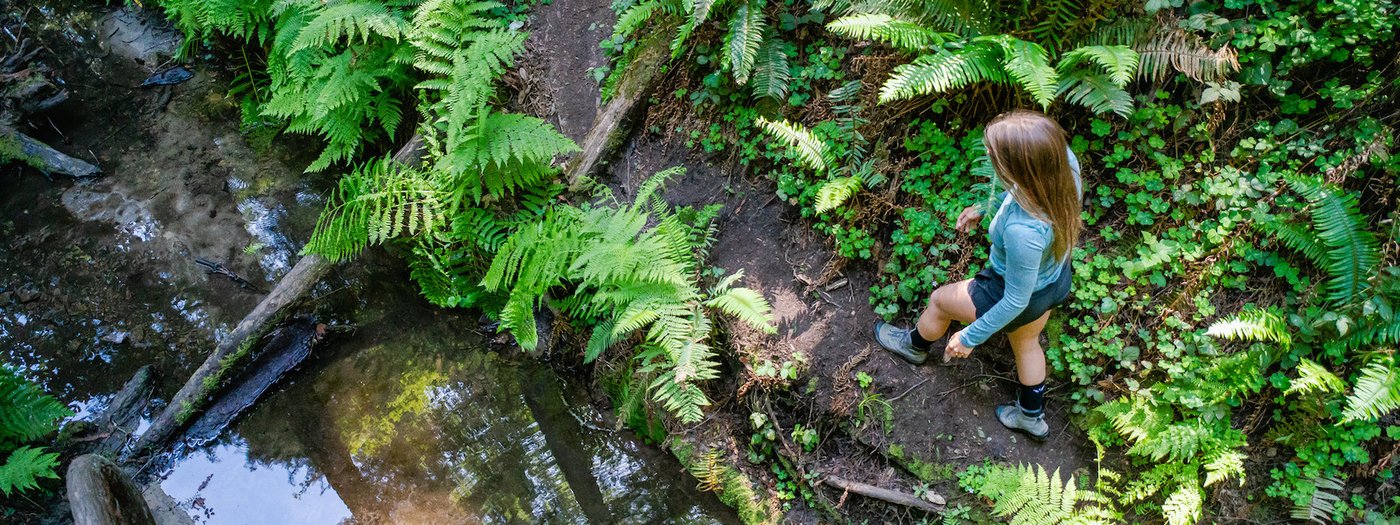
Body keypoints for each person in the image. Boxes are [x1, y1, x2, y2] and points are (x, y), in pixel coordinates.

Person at [873, 109, 1082, 441]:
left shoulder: (1023, 232)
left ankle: (913, 346)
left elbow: (1015, 299)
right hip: (1054, 281)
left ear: (1022, 167)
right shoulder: (1063, 166)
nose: (988, 156)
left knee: (940, 302)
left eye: (995, 156)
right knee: (1026, 340)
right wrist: (985, 207)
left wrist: (969, 337)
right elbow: (1021, 191)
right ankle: (1031, 416)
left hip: (1012, 291)